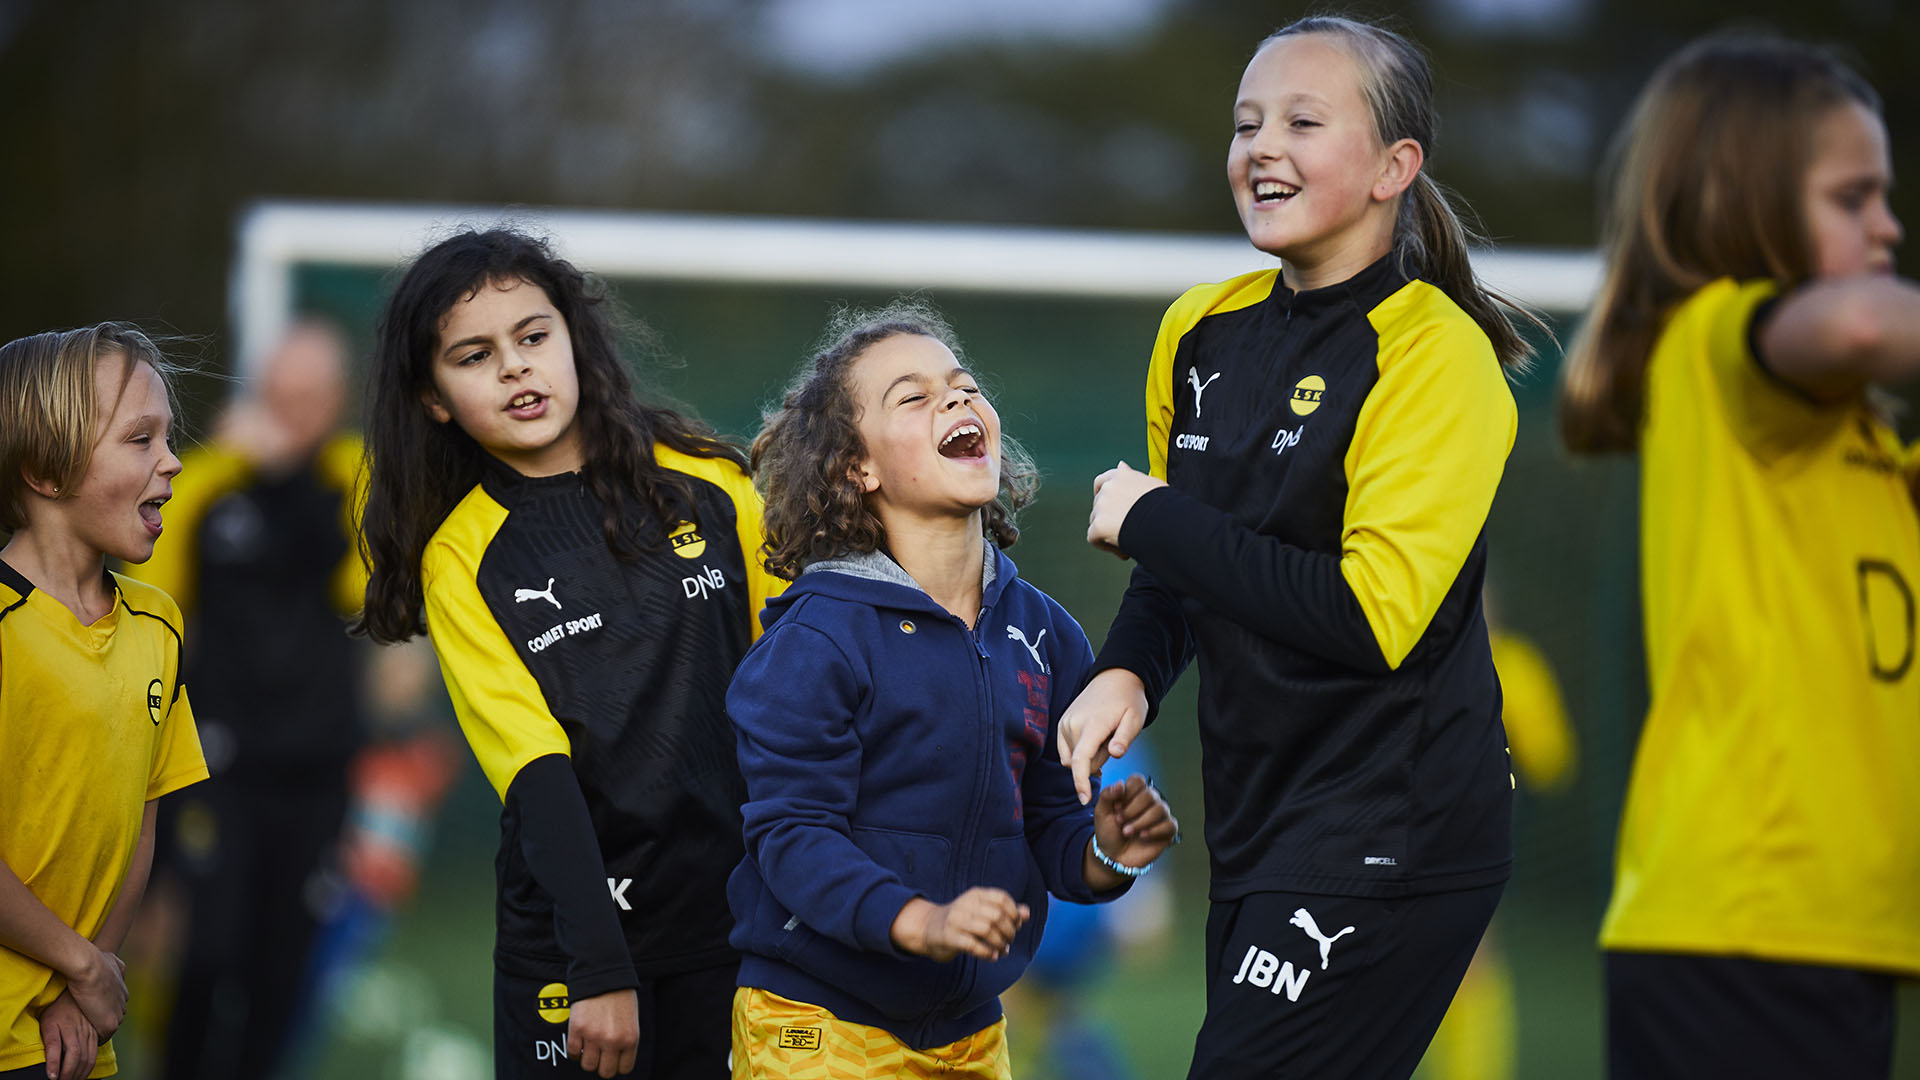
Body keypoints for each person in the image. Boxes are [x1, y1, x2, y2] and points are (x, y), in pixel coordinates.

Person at [1059, 16, 1541, 1079]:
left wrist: (1156, 518)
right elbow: (1186, 571)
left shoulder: (1435, 354)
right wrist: (1129, 669)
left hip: (1394, 830)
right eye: (1246, 124)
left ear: (1393, 168)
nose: (1260, 146)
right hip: (1261, 821)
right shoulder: (1198, 330)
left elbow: (1368, 619)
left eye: (1303, 121)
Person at [1557, 33, 1920, 1080]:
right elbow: (1852, 324)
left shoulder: (1866, 452)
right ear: (1742, 201)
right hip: (1736, 927)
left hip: (1833, 936)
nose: (1889, 224)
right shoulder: (1714, 347)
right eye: (1855, 199)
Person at [354, 228, 781, 1080]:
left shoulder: (715, 486)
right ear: (434, 398)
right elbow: (536, 774)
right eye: (474, 356)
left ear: (574, 341)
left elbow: (796, 694)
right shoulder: (463, 557)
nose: (514, 367)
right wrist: (599, 963)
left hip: (741, 928)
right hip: (577, 954)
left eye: (533, 337)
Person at [728, 302, 1178, 1079]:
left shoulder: (1048, 635)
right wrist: (919, 920)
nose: (956, 400)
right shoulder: (814, 640)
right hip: (816, 1024)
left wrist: (1111, 855)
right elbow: (794, 839)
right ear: (854, 468)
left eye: (964, 386)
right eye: (913, 396)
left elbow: (1051, 828)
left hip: (970, 1034)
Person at [124, 319, 370, 1080]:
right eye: (280, 394)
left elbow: (360, 589)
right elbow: (149, 612)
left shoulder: (357, 479)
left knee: (281, 969)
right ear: (259, 393)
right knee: (206, 956)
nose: (293, 410)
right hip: (215, 766)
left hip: (319, 768)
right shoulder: (199, 484)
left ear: (339, 400)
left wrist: (286, 475)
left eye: (310, 395)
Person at [0, 323, 208, 1080]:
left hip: (78, 1037)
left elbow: (138, 828)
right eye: (140, 439)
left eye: (169, 436)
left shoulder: (159, 623)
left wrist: (84, 984)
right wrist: (79, 966)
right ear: (44, 472)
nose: (172, 460)